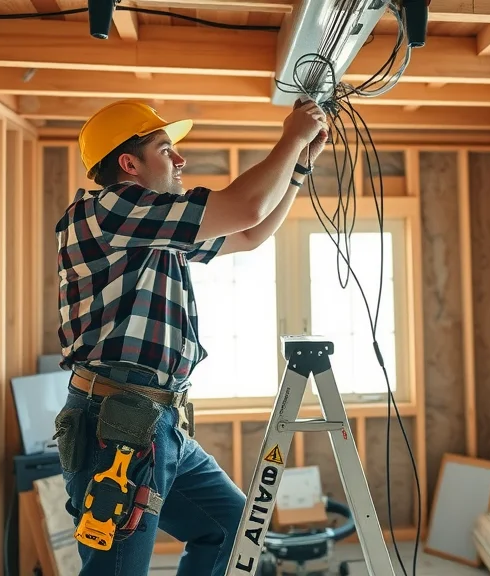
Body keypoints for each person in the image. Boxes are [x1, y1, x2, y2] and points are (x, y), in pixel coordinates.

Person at [51, 99, 329, 575]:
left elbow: (250, 233)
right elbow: (245, 206)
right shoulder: (110, 210)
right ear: (128, 164)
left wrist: (299, 166)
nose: (179, 159)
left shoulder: (155, 227)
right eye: (166, 149)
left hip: (157, 420)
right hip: (116, 421)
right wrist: (291, 138)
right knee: (117, 569)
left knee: (231, 527)